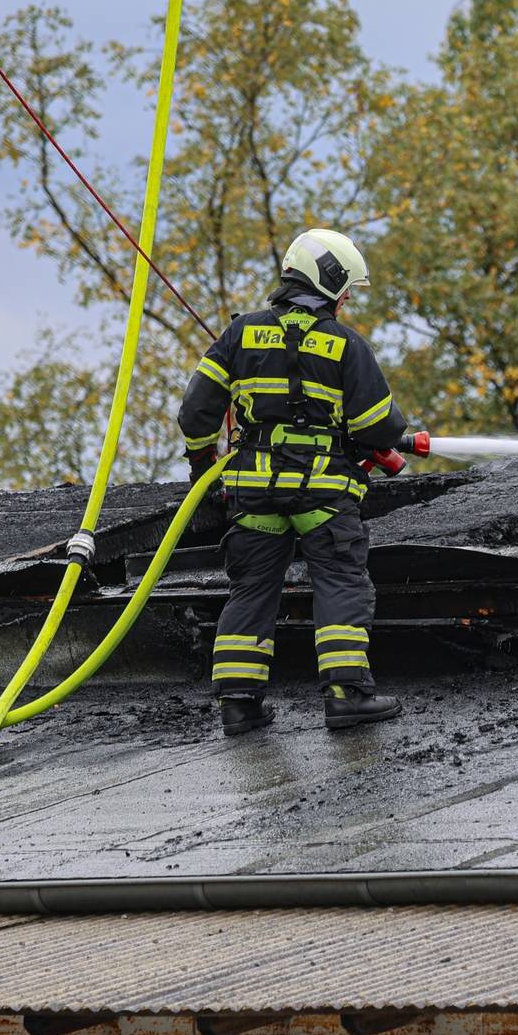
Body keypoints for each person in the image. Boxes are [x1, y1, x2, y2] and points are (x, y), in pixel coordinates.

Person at [176, 228, 422, 737]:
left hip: (255, 495)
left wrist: (203, 466)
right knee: (340, 582)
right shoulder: (345, 345)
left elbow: (196, 412)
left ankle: (239, 706)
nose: (349, 296)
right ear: (328, 279)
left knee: (251, 591)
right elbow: (379, 427)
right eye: (347, 285)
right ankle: (347, 696)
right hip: (323, 496)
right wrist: (390, 436)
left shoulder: (239, 334)